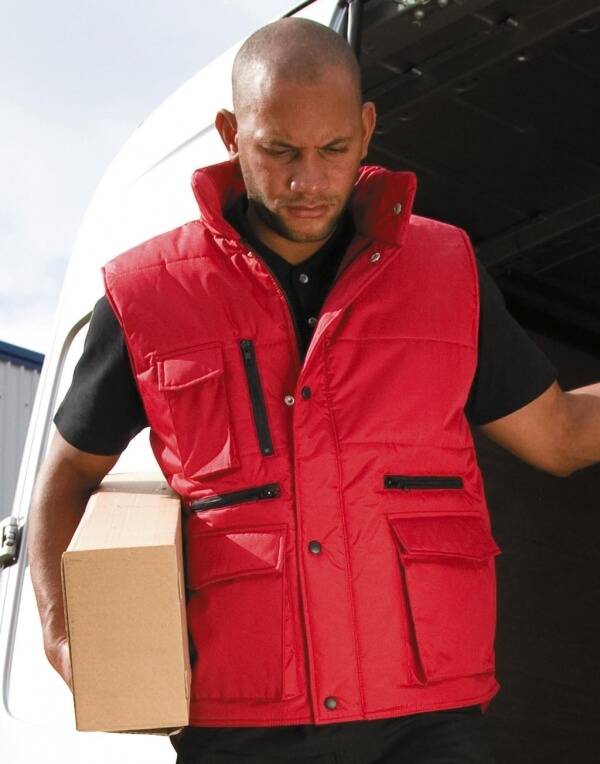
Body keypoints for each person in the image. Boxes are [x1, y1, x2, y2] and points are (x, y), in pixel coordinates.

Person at [28, 17, 600, 764]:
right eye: (279, 151)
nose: (308, 181)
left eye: (332, 150)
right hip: (239, 730)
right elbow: (66, 477)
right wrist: (63, 637)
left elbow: (560, 433)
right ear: (231, 134)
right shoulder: (146, 296)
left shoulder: (446, 273)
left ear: (366, 131)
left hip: (423, 723)